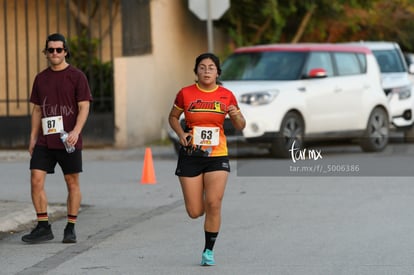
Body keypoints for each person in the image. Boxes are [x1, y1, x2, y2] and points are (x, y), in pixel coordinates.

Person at [168, 53, 246, 266]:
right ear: (196, 71)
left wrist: (235, 114)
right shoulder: (185, 93)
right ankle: (201, 197)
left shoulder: (226, 95)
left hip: (217, 153)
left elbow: (240, 125)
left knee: (214, 203)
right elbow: (173, 117)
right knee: (195, 212)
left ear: (217, 72)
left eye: (211, 67)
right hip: (191, 154)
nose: (206, 71)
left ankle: (208, 251)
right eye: (202, 67)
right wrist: (181, 134)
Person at [21, 33, 93, 244]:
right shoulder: (40, 78)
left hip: (68, 140)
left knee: (72, 182)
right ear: (46, 52)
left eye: (58, 50)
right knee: (36, 179)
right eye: (51, 50)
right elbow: (36, 110)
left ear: (65, 51)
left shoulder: (77, 76)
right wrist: (33, 137)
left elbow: (84, 106)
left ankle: (70, 227)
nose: (55, 53)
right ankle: (43, 226)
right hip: (45, 140)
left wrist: (76, 131)